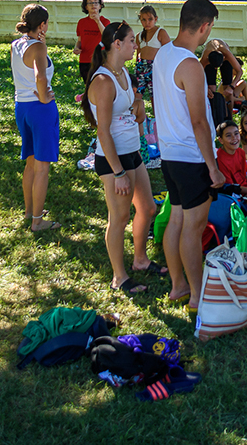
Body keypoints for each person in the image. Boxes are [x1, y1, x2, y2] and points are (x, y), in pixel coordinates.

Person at [154, 0, 225, 310]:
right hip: (191, 157)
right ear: (205, 27)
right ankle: (197, 296)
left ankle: (178, 286)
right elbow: (198, 122)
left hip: (169, 154)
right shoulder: (191, 65)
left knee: (176, 220)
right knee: (193, 229)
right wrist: (213, 166)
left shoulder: (163, 54)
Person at [82, 21, 162, 294]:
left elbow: (134, 103)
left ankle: (140, 259)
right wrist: (117, 173)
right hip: (112, 159)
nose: (135, 45)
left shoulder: (123, 72)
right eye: (130, 41)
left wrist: (138, 102)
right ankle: (119, 276)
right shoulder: (103, 81)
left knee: (149, 208)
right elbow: (102, 131)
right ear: (117, 43)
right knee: (119, 218)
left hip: (132, 153)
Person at [11, 4, 60, 230]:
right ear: (42, 24)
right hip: (40, 110)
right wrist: (43, 97)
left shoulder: (16, 45)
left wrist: (42, 41)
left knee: (31, 164)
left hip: (22, 107)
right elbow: (41, 77)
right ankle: (37, 222)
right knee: (42, 168)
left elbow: (35, 64)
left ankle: (30, 212)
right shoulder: (38, 47)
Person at [215, 121, 247, 203]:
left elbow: (244, 176)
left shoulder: (240, 152)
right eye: (228, 135)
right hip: (234, 193)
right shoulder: (220, 159)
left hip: (245, 188)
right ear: (221, 140)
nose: (234, 138)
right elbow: (231, 188)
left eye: (236, 134)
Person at [135, 4, 171, 105]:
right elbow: (138, 54)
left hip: (155, 69)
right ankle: (137, 119)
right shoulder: (139, 36)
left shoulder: (161, 32)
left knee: (155, 98)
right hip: (141, 68)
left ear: (155, 19)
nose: (147, 23)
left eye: (150, 19)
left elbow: (168, 53)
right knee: (136, 96)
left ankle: (158, 120)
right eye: (143, 20)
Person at [73, 0, 110, 84]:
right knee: (88, 87)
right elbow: (80, 40)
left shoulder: (105, 21)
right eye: (90, 3)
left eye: (96, 2)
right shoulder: (81, 22)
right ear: (86, 7)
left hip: (100, 59)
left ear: (100, 6)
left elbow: (106, 36)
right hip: (85, 60)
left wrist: (98, 21)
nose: (93, 5)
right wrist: (76, 47)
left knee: (100, 86)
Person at [201, 39, 247, 106]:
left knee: (228, 89)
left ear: (223, 59)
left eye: (217, 67)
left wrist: (231, 87)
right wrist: (206, 88)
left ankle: (229, 114)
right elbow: (198, 74)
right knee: (211, 90)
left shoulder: (227, 55)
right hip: (210, 57)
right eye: (214, 67)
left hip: (224, 56)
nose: (216, 69)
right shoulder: (205, 57)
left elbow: (239, 71)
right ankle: (212, 111)